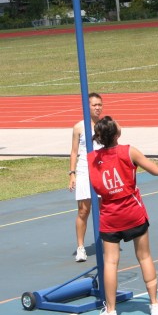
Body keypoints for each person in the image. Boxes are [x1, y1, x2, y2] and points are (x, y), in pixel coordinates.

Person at [88, 116, 158, 315]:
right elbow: (156, 170)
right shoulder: (129, 151)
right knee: (145, 257)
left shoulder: (92, 158)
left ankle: (111, 312)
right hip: (132, 212)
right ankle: (154, 304)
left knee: (110, 263)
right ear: (117, 134)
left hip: (110, 215)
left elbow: (97, 188)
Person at [69, 92, 103, 262]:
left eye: (100, 105)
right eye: (94, 105)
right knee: (84, 210)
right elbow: (74, 152)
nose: (98, 108)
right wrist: (72, 174)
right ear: (87, 106)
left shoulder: (105, 125)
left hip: (101, 171)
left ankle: (105, 241)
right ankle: (81, 247)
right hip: (84, 171)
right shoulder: (79, 127)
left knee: (104, 209)